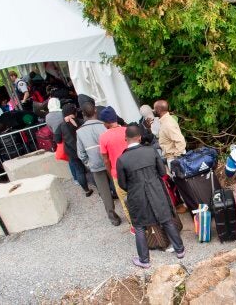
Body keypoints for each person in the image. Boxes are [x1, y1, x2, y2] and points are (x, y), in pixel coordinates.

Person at [117, 125, 185, 268]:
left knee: (140, 226)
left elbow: (123, 184)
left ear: (125, 139)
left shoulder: (122, 160)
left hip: (137, 196)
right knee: (166, 219)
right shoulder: (151, 151)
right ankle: (180, 250)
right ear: (140, 137)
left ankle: (144, 260)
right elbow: (162, 172)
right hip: (156, 191)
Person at [77, 102, 122, 226]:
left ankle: (114, 219)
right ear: (95, 111)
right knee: (119, 186)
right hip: (111, 162)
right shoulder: (104, 125)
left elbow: (81, 154)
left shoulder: (80, 132)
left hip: (95, 165)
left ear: (83, 114)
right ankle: (128, 210)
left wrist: (89, 163)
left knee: (104, 192)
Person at [99, 106, 133, 233]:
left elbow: (105, 159)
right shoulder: (127, 130)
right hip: (133, 170)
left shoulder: (103, 137)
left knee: (125, 201)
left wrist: (111, 172)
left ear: (106, 122)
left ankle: (134, 225)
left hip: (117, 174)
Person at [54, 103, 93, 197]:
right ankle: (100, 187)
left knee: (79, 171)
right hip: (85, 149)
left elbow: (57, 139)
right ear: (74, 112)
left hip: (72, 153)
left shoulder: (61, 126)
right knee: (92, 168)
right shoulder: (81, 121)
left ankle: (87, 191)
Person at [153, 100, 186, 168]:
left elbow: (181, 141)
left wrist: (176, 158)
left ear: (159, 110)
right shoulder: (165, 120)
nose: (153, 111)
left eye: (154, 108)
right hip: (171, 157)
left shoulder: (167, 124)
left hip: (175, 159)